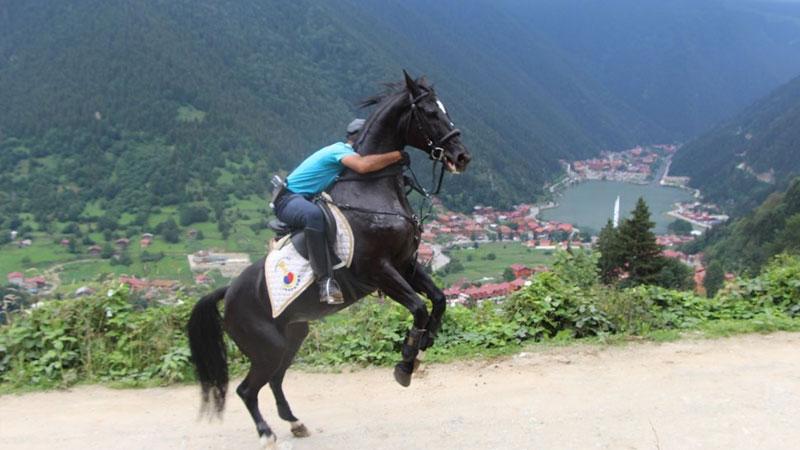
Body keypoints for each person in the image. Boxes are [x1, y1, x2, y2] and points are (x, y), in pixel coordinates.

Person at [273, 119, 405, 304]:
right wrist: (397, 155)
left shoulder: (345, 155)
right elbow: (364, 166)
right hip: (289, 200)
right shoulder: (341, 151)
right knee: (313, 216)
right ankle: (325, 282)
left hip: (305, 199)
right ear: (361, 139)